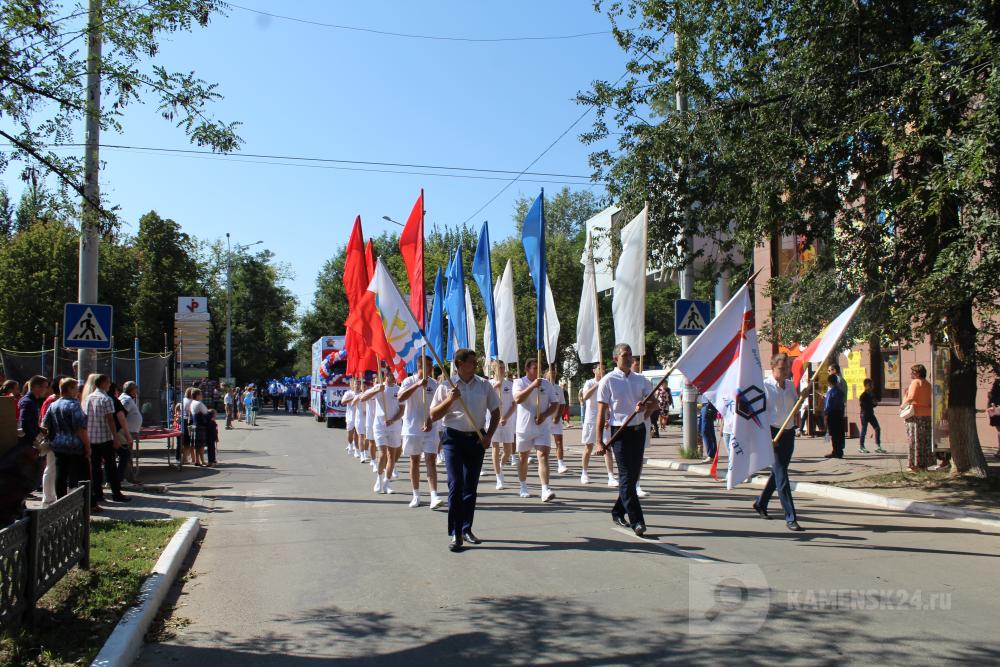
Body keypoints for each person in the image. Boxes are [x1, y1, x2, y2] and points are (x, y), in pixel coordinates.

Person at [429, 348, 500, 552]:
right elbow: (433, 415)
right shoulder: (446, 386)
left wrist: (489, 436)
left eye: (475, 362)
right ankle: (455, 533)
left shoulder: (484, 385)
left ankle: (467, 528)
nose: (475, 365)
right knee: (456, 484)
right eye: (471, 362)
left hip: (476, 439)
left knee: (470, 487)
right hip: (453, 439)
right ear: (459, 364)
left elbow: (495, 412)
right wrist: (450, 399)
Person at [595, 343, 657, 536]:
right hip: (619, 431)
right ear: (615, 358)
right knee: (625, 476)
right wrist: (599, 441)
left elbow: (654, 404)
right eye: (624, 355)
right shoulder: (608, 380)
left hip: (638, 430)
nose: (629, 358)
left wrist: (644, 409)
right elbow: (601, 413)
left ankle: (618, 510)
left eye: (630, 355)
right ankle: (637, 521)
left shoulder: (641, 380)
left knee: (632, 476)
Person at [754, 353, 801, 531]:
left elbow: (794, 405)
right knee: (782, 475)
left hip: (788, 432)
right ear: (773, 368)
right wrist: (766, 437)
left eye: (787, 368)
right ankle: (790, 517)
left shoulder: (789, 386)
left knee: (779, 473)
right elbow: (760, 414)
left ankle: (761, 503)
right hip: (772, 433)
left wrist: (802, 397)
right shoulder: (765, 386)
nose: (785, 372)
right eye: (781, 369)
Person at [512, 358, 561, 501]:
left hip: (542, 428)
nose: (537, 371)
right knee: (523, 458)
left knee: (543, 455)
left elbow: (555, 403)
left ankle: (545, 489)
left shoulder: (546, 384)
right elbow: (517, 399)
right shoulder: (519, 382)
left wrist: (545, 415)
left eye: (538, 368)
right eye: (534, 368)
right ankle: (523, 486)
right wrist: (532, 386)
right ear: (527, 369)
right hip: (524, 428)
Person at [399, 357, 443, 509]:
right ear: (419, 366)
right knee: (415, 461)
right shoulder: (408, 381)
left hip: (430, 428)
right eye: (427, 366)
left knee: (431, 460)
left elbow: (439, 406)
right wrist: (417, 385)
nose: (430, 368)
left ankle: (434, 496)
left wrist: (432, 421)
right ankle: (416, 494)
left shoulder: (435, 384)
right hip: (412, 429)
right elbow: (400, 397)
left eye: (431, 366)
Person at [40, 378, 91, 504]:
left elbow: (44, 425)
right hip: (75, 444)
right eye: (75, 388)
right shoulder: (74, 405)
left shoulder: (54, 404)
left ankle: (61, 501)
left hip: (58, 444)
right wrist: (87, 446)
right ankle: (87, 502)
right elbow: (81, 428)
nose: (77, 391)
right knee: (83, 474)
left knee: (60, 473)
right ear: (69, 389)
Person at [82, 373, 128, 507]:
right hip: (105, 438)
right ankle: (116, 494)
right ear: (102, 384)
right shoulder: (106, 399)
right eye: (107, 382)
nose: (109, 385)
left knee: (96, 468)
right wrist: (115, 437)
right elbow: (110, 419)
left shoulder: (88, 398)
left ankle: (98, 494)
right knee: (110, 467)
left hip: (92, 438)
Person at [579, 363, 616, 486]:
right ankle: (584, 473)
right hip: (591, 418)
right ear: (594, 370)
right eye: (600, 368)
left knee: (607, 446)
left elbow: (611, 400)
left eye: (604, 368)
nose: (602, 370)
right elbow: (585, 396)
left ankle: (611, 476)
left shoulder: (607, 382)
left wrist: (609, 416)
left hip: (604, 418)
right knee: (588, 447)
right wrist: (597, 385)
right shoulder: (589, 382)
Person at [372, 369, 403, 494]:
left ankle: (386, 483)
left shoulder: (399, 389)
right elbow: (364, 397)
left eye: (396, 375)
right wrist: (376, 389)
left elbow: (402, 409)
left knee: (392, 456)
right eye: (392, 374)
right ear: (386, 375)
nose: (395, 377)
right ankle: (379, 479)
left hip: (394, 426)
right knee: (383, 454)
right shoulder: (380, 388)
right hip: (380, 425)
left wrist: (393, 420)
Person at [39, 374, 68, 506]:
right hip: (53, 439)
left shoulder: (56, 400)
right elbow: (45, 422)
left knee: (53, 468)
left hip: (58, 439)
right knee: (51, 467)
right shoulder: (51, 401)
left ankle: (52, 495)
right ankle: (48, 496)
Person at [487, 360, 516, 490]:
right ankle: (498, 477)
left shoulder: (510, 384)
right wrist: (494, 388)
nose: (503, 370)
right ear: (494, 369)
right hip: (493, 420)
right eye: (500, 368)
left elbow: (514, 403)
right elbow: (483, 399)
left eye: (504, 367)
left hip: (507, 420)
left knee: (508, 450)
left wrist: (505, 417)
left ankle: (500, 466)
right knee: (495, 448)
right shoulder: (488, 384)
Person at [629, 357, 653, 498]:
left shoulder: (644, 380)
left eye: (638, 364)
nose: (637, 367)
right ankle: (628, 484)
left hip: (642, 422)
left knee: (639, 455)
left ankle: (637, 485)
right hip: (626, 423)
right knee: (628, 456)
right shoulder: (621, 380)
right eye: (635, 364)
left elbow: (653, 402)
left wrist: (646, 414)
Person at [901, 364, 932, 471]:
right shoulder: (928, 384)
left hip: (916, 415)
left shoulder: (915, 382)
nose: (911, 374)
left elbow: (911, 397)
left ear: (917, 373)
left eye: (912, 372)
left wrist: (902, 406)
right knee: (925, 440)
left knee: (914, 440)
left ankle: (914, 464)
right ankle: (924, 465)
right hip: (927, 415)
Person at [107, 383, 135, 487]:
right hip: (118, 432)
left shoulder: (109, 400)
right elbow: (121, 417)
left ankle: (112, 480)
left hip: (113, 433)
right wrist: (128, 435)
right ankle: (118, 479)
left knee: (111, 457)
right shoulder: (114, 400)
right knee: (124, 454)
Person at [546, 367, 569, 474]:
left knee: (559, 442)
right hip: (544, 419)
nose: (553, 376)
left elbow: (562, 404)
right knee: (543, 443)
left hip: (556, 420)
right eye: (551, 373)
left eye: (554, 374)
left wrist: (558, 416)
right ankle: (543, 461)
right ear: (546, 374)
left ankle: (560, 464)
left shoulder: (558, 389)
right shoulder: (542, 386)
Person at [823, 374, 846, 459]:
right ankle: (839, 451)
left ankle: (836, 451)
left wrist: (825, 415)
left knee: (834, 434)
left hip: (832, 415)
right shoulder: (841, 392)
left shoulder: (831, 392)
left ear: (829, 383)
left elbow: (828, 405)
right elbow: (842, 404)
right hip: (839, 414)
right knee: (839, 433)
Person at [858, 378, 884, 454]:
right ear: (866, 386)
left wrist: (875, 403)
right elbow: (862, 405)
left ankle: (878, 446)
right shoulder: (863, 395)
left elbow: (873, 404)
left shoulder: (872, 394)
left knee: (877, 428)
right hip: (864, 414)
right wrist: (872, 403)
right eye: (870, 385)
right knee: (864, 430)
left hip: (871, 414)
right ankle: (861, 447)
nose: (872, 386)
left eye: (872, 384)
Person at [190, 388, 210, 466]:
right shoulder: (199, 403)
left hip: (195, 425)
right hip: (200, 425)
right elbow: (206, 412)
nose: (202, 395)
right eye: (201, 394)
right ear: (197, 395)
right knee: (201, 445)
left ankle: (197, 460)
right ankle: (202, 461)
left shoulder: (192, 403)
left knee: (196, 445)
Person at [342, 380, 358, 455]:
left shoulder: (362, 393)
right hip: (350, 416)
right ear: (353, 385)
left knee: (357, 433)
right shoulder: (348, 393)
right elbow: (343, 402)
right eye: (356, 384)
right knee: (350, 432)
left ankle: (356, 449)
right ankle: (350, 445)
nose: (357, 385)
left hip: (358, 416)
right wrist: (353, 398)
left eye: (358, 384)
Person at [988, 378, 1000, 459]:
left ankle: (999, 450)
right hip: (997, 412)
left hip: (995, 412)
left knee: (999, 431)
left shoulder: (992, 393)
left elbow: (989, 403)